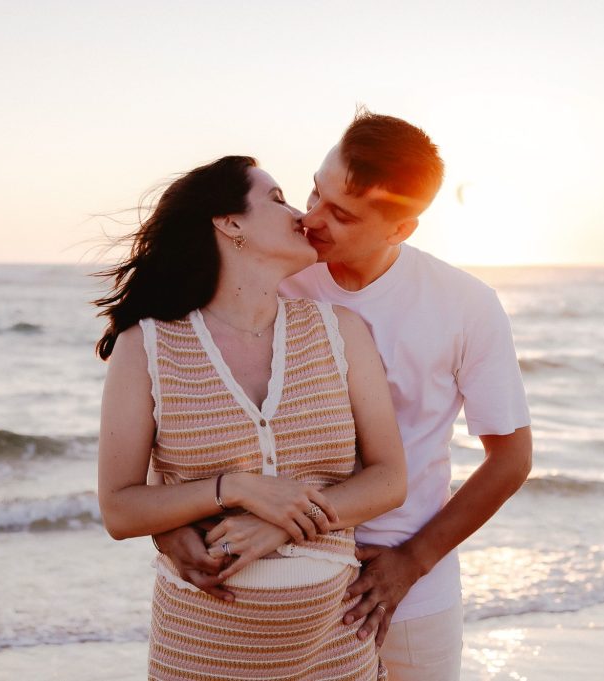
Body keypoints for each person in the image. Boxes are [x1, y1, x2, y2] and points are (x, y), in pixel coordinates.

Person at [155, 113, 533, 680]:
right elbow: (187, 407)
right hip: (278, 574)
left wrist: (413, 562)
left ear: (399, 230)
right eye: (314, 191)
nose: (312, 218)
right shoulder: (276, 276)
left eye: (343, 214)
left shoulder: (465, 304)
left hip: (405, 582)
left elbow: (511, 458)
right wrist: (167, 525)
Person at [94, 155, 407, 680]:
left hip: (335, 654)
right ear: (229, 222)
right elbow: (120, 510)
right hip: (201, 656)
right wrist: (235, 488)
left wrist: (277, 526)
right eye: (278, 198)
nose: (301, 216)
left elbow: (388, 478)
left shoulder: (339, 330)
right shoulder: (146, 345)